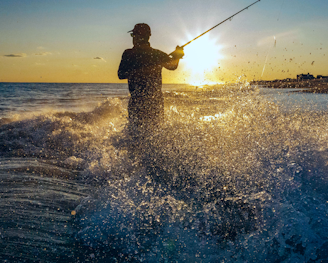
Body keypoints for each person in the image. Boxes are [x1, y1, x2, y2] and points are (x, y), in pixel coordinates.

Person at [118, 23, 184, 130]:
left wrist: (176, 55)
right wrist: (177, 55)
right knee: (156, 133)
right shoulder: (157, 54)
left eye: (133, 35)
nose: (133, 38)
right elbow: (173, 66)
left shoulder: (128, 54)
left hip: (137, 102)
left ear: (139, 36)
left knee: (136, 135)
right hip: (155, 102)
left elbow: (121, 74)